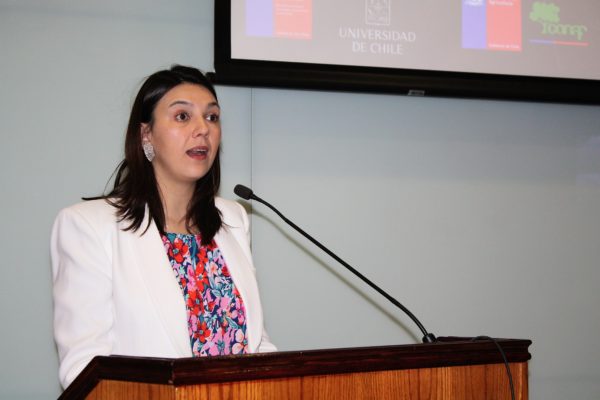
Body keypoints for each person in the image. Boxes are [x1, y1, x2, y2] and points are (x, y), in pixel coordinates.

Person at [50, 65, 276, 389]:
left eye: (212, 117)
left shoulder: (232, 220)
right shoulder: (88, 227)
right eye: (183, 116)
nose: (203, 129)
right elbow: (84, 371)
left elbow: (255, 344)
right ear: (146, 135)